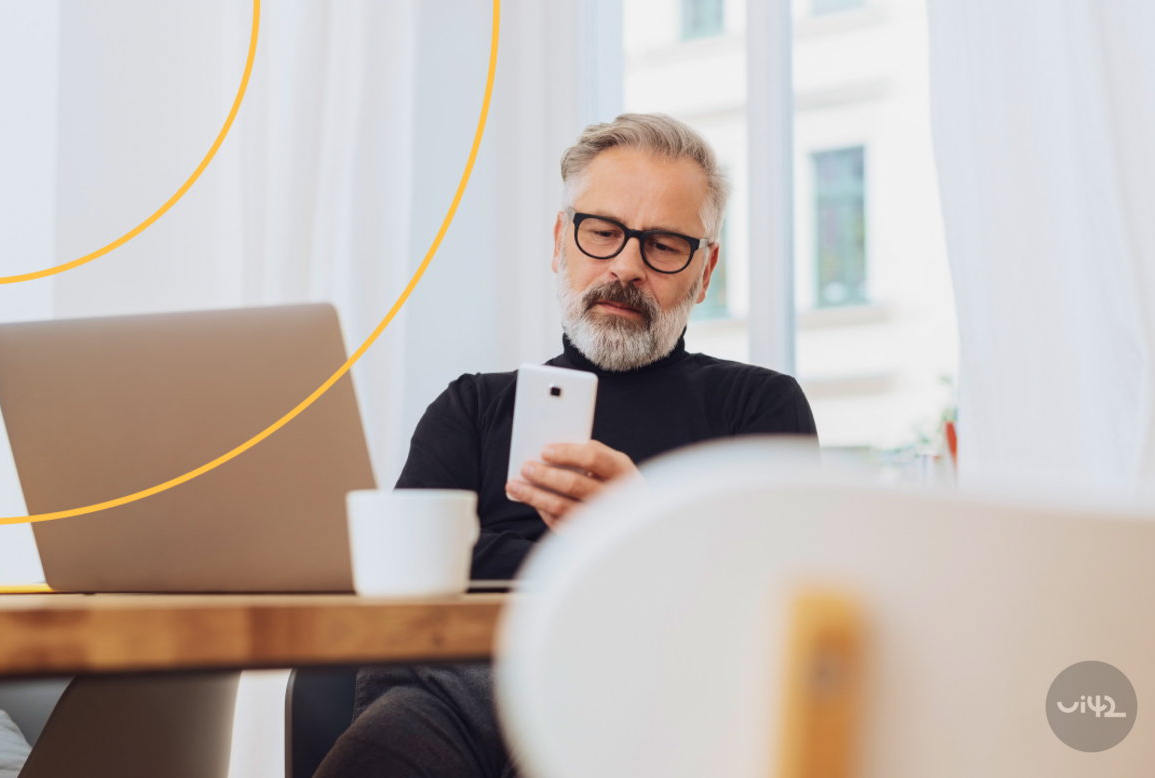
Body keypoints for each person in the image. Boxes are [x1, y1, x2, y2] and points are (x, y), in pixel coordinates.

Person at [316, 113, 817, 778]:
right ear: (561, 241)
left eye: (664, 245)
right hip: (448, 690)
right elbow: (416, 571)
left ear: (705, 270)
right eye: (603, 233)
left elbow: (779, 601)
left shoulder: (757, 407)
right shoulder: (472, 406)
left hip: (644, 695)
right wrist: (622, 561)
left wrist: (639, 523)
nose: (628, 266)